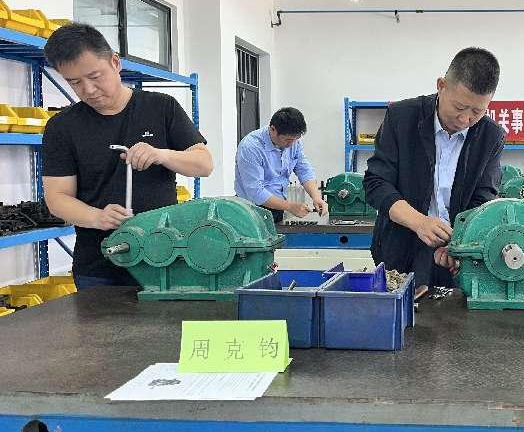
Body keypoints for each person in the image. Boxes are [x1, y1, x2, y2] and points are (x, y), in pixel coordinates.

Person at [41, 23, 213, 291]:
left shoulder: (161, 107)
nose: (88, 89)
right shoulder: (62, 127)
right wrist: (97, 217)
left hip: (163, 257)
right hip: (99, 267)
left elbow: (204, 164)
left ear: (115, 62)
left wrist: (161, 154)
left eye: (94, 76)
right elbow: (57, 198)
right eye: (75, 82)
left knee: (167, 319)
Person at [363, 47, 505, 299]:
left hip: (454, 256)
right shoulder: (401, 117)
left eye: (477, 111)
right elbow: (377, 182)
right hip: (400, 247)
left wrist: (460, 242)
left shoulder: (491, 136)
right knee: (402, 317)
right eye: (459, 106)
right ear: (441, 85)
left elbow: (484, 197)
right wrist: (419, 222)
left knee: (452, 319)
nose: (465, 119)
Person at [234, 107, 327, 224]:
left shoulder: (294, 142)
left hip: (278, 206)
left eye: (295, 139)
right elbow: (255, 192)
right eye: (287, 140)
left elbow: (304, 170)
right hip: (251, 211)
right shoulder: (251, 147)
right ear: (272, 129)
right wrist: (290, 206)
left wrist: (316, 197)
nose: (291, 144)